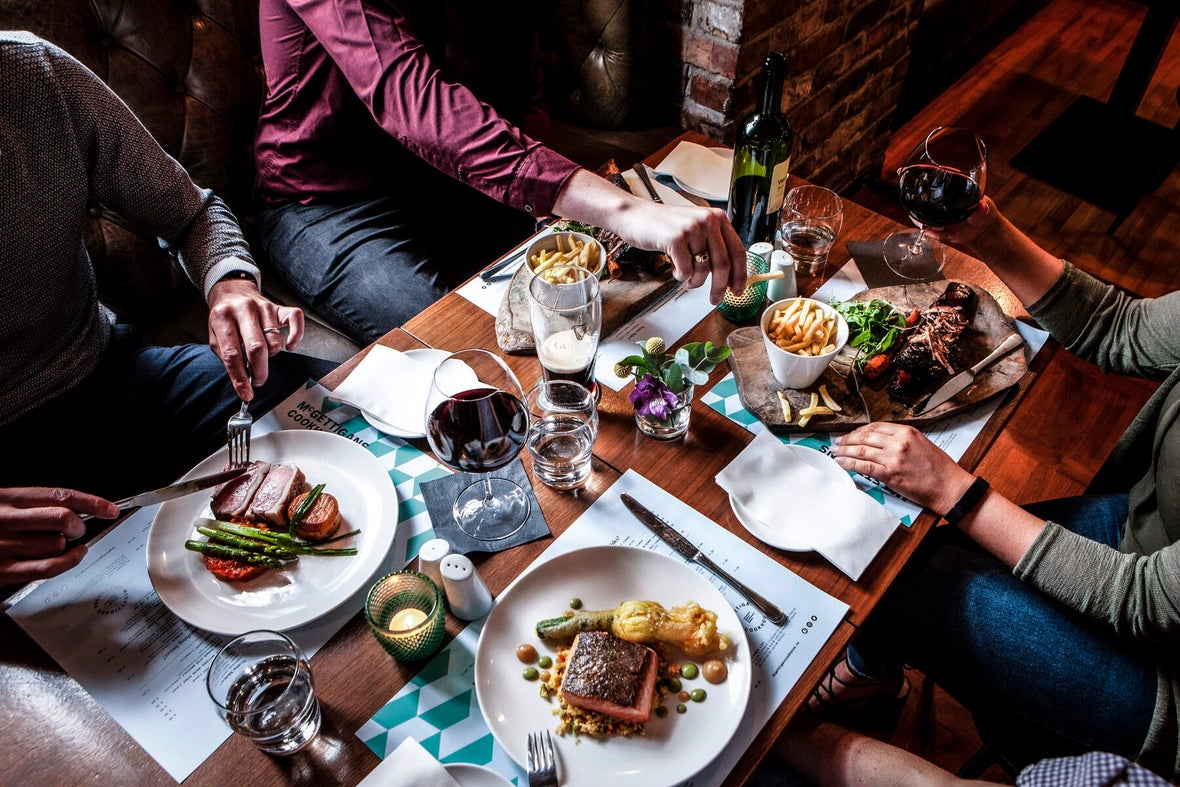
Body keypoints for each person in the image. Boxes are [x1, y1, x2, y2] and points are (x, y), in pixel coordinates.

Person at [811, 197, 1179, 780]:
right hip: (1145, 531)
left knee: (897, 574)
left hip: (1168, 690)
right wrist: (987, 234)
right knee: (904, 542)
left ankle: (864, 679)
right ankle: (873, 670)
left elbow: (1147, 601)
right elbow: (1122, 328)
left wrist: (955, 490)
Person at [0, 33, 336, 587]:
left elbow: (191, 214)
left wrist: (229, 284)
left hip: (107, 376)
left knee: (313, 400)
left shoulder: (30, 74)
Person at [254, 0, 748, 345]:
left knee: (609, 301)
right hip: (326, 204)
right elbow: (413, 101)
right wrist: (622, 209)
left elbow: (519, 85)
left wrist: (566, 208)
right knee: (456, 349)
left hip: (451, 182)